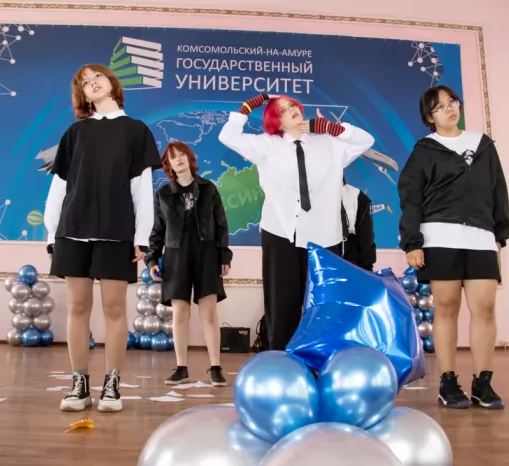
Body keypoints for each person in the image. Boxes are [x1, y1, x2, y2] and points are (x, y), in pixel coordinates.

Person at [44, 64, 161, 413]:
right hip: (73, 229)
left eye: (97, 77)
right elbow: (59, 186)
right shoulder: (75, 133)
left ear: (111, 83)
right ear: (82, 94)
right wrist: (52, 230)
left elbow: (141, 190)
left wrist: (141, 236)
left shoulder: (136, 130)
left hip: (116, 230)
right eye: (84, 82)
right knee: (77, 307)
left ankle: (112, 384)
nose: (92, 83)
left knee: (114, 308)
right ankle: (79, 384)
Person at [218, 93, 375, 351]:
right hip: (281, 232)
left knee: (323, 304)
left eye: (292, 105)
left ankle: (320, 359)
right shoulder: (267, 145)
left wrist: (332, 128)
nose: (291, 109)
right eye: (282, 109)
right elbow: (228, 136)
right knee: (282, 303)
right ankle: (282, 360)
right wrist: (249, 106)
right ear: (275, 121)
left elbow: (366, 140)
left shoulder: (329, 143)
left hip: (324, 235)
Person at [397, 85, 509, 410]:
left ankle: (483, 383)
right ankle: (448, 382)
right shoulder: (425, 150)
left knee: (485, 309)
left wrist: (500, 232)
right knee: (446, 309)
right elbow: (410, 197)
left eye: (452, 102)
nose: (449, 109)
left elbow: (499, 189)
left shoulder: (483, 145)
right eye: (440, 106)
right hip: (439, 237)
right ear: (429, 118)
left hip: (480, 237)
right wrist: (412, 242)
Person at [145, 141, 232, 387]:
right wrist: (152, 258)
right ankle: (181, 368)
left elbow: (221, 224)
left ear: (190, 159)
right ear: (169, 165)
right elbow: (158, 230)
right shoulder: (163, 194)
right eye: (173, 157)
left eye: (183, 154)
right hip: (176, 256)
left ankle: (215, 368)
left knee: (209, 313)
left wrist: (224, 256)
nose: (179, 159)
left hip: (207, 254)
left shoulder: (208, 188)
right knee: (180, 314)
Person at [341, 177, 377, 271]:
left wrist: (367, 269)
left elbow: (366, 237)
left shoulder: (358, 196)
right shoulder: (312, 195)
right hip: (319, 262)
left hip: (350, 261)